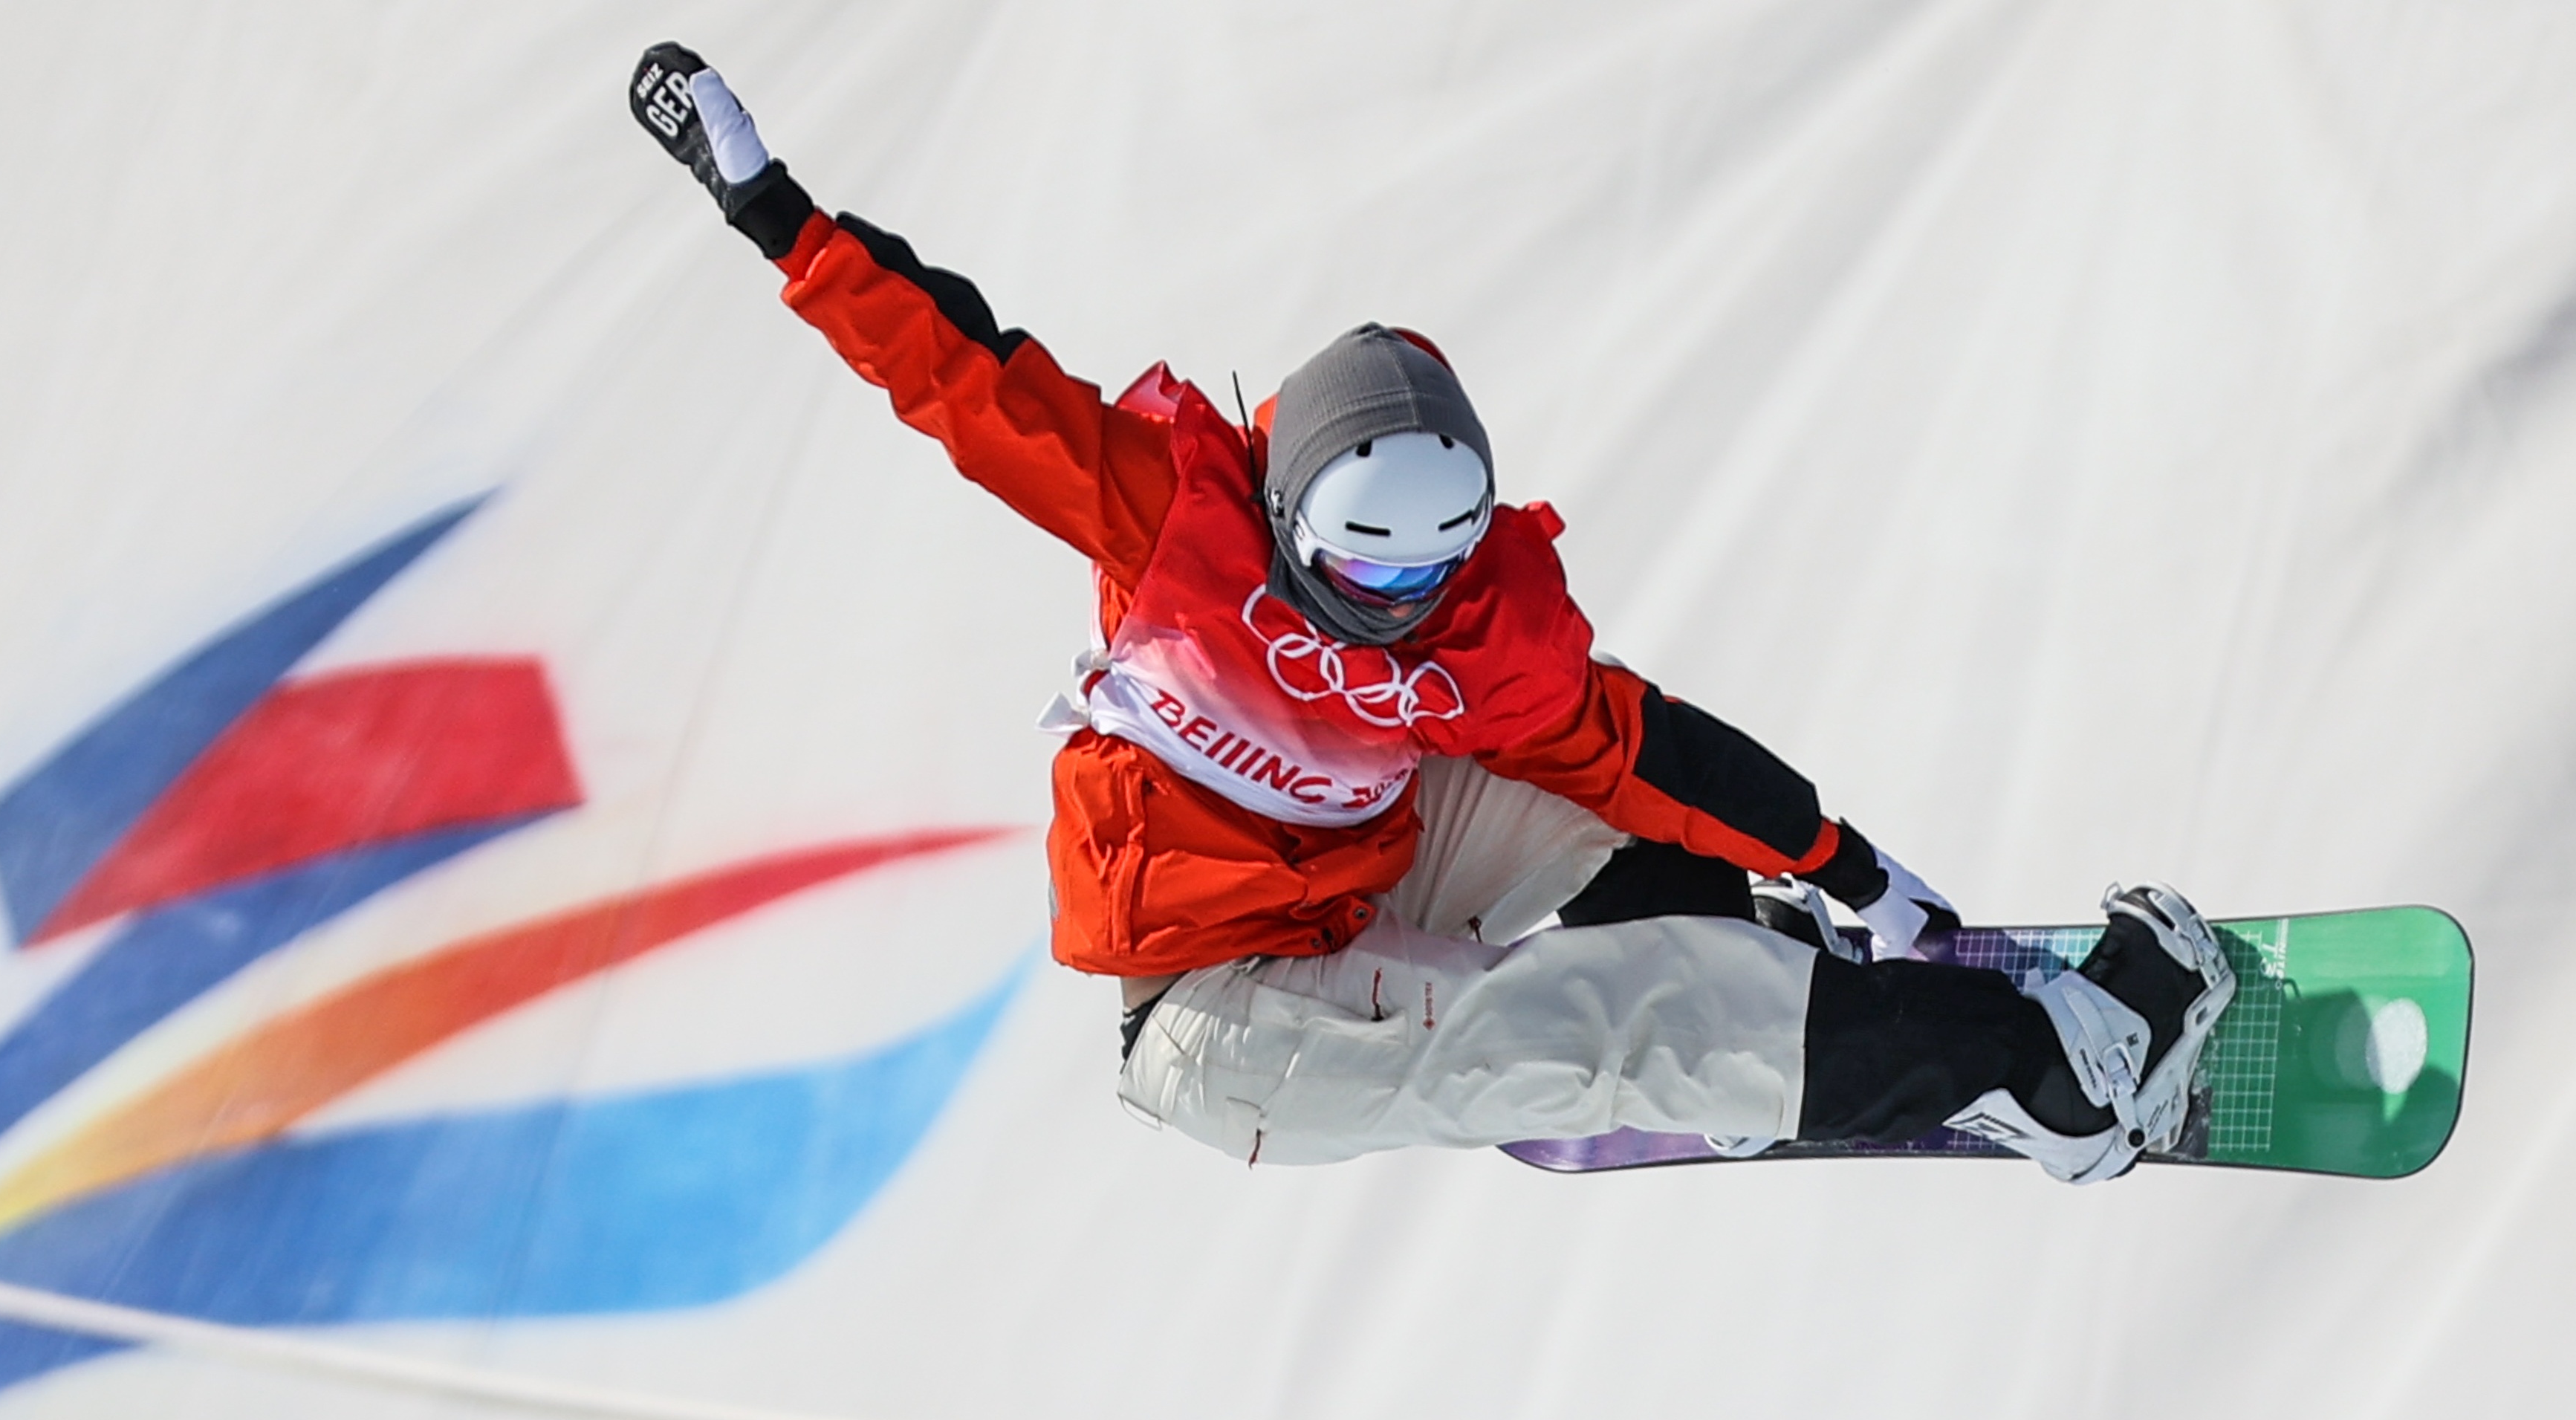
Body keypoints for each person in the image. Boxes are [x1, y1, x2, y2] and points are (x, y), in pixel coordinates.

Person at [629, 43, 2234, 1184]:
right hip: (1218, 1015)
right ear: (1284, 515)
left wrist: (1850, 870)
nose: (1393, 611)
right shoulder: (1162, 517)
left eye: (1426, 573)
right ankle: (2046, 1087)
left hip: (1363, 867)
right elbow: (956, 374)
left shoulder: (1474, 629)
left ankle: (1759, 980)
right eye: (1361, 575)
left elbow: (1639, 752)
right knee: (1588, 1026)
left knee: (1569, 790)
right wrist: (771, 205)